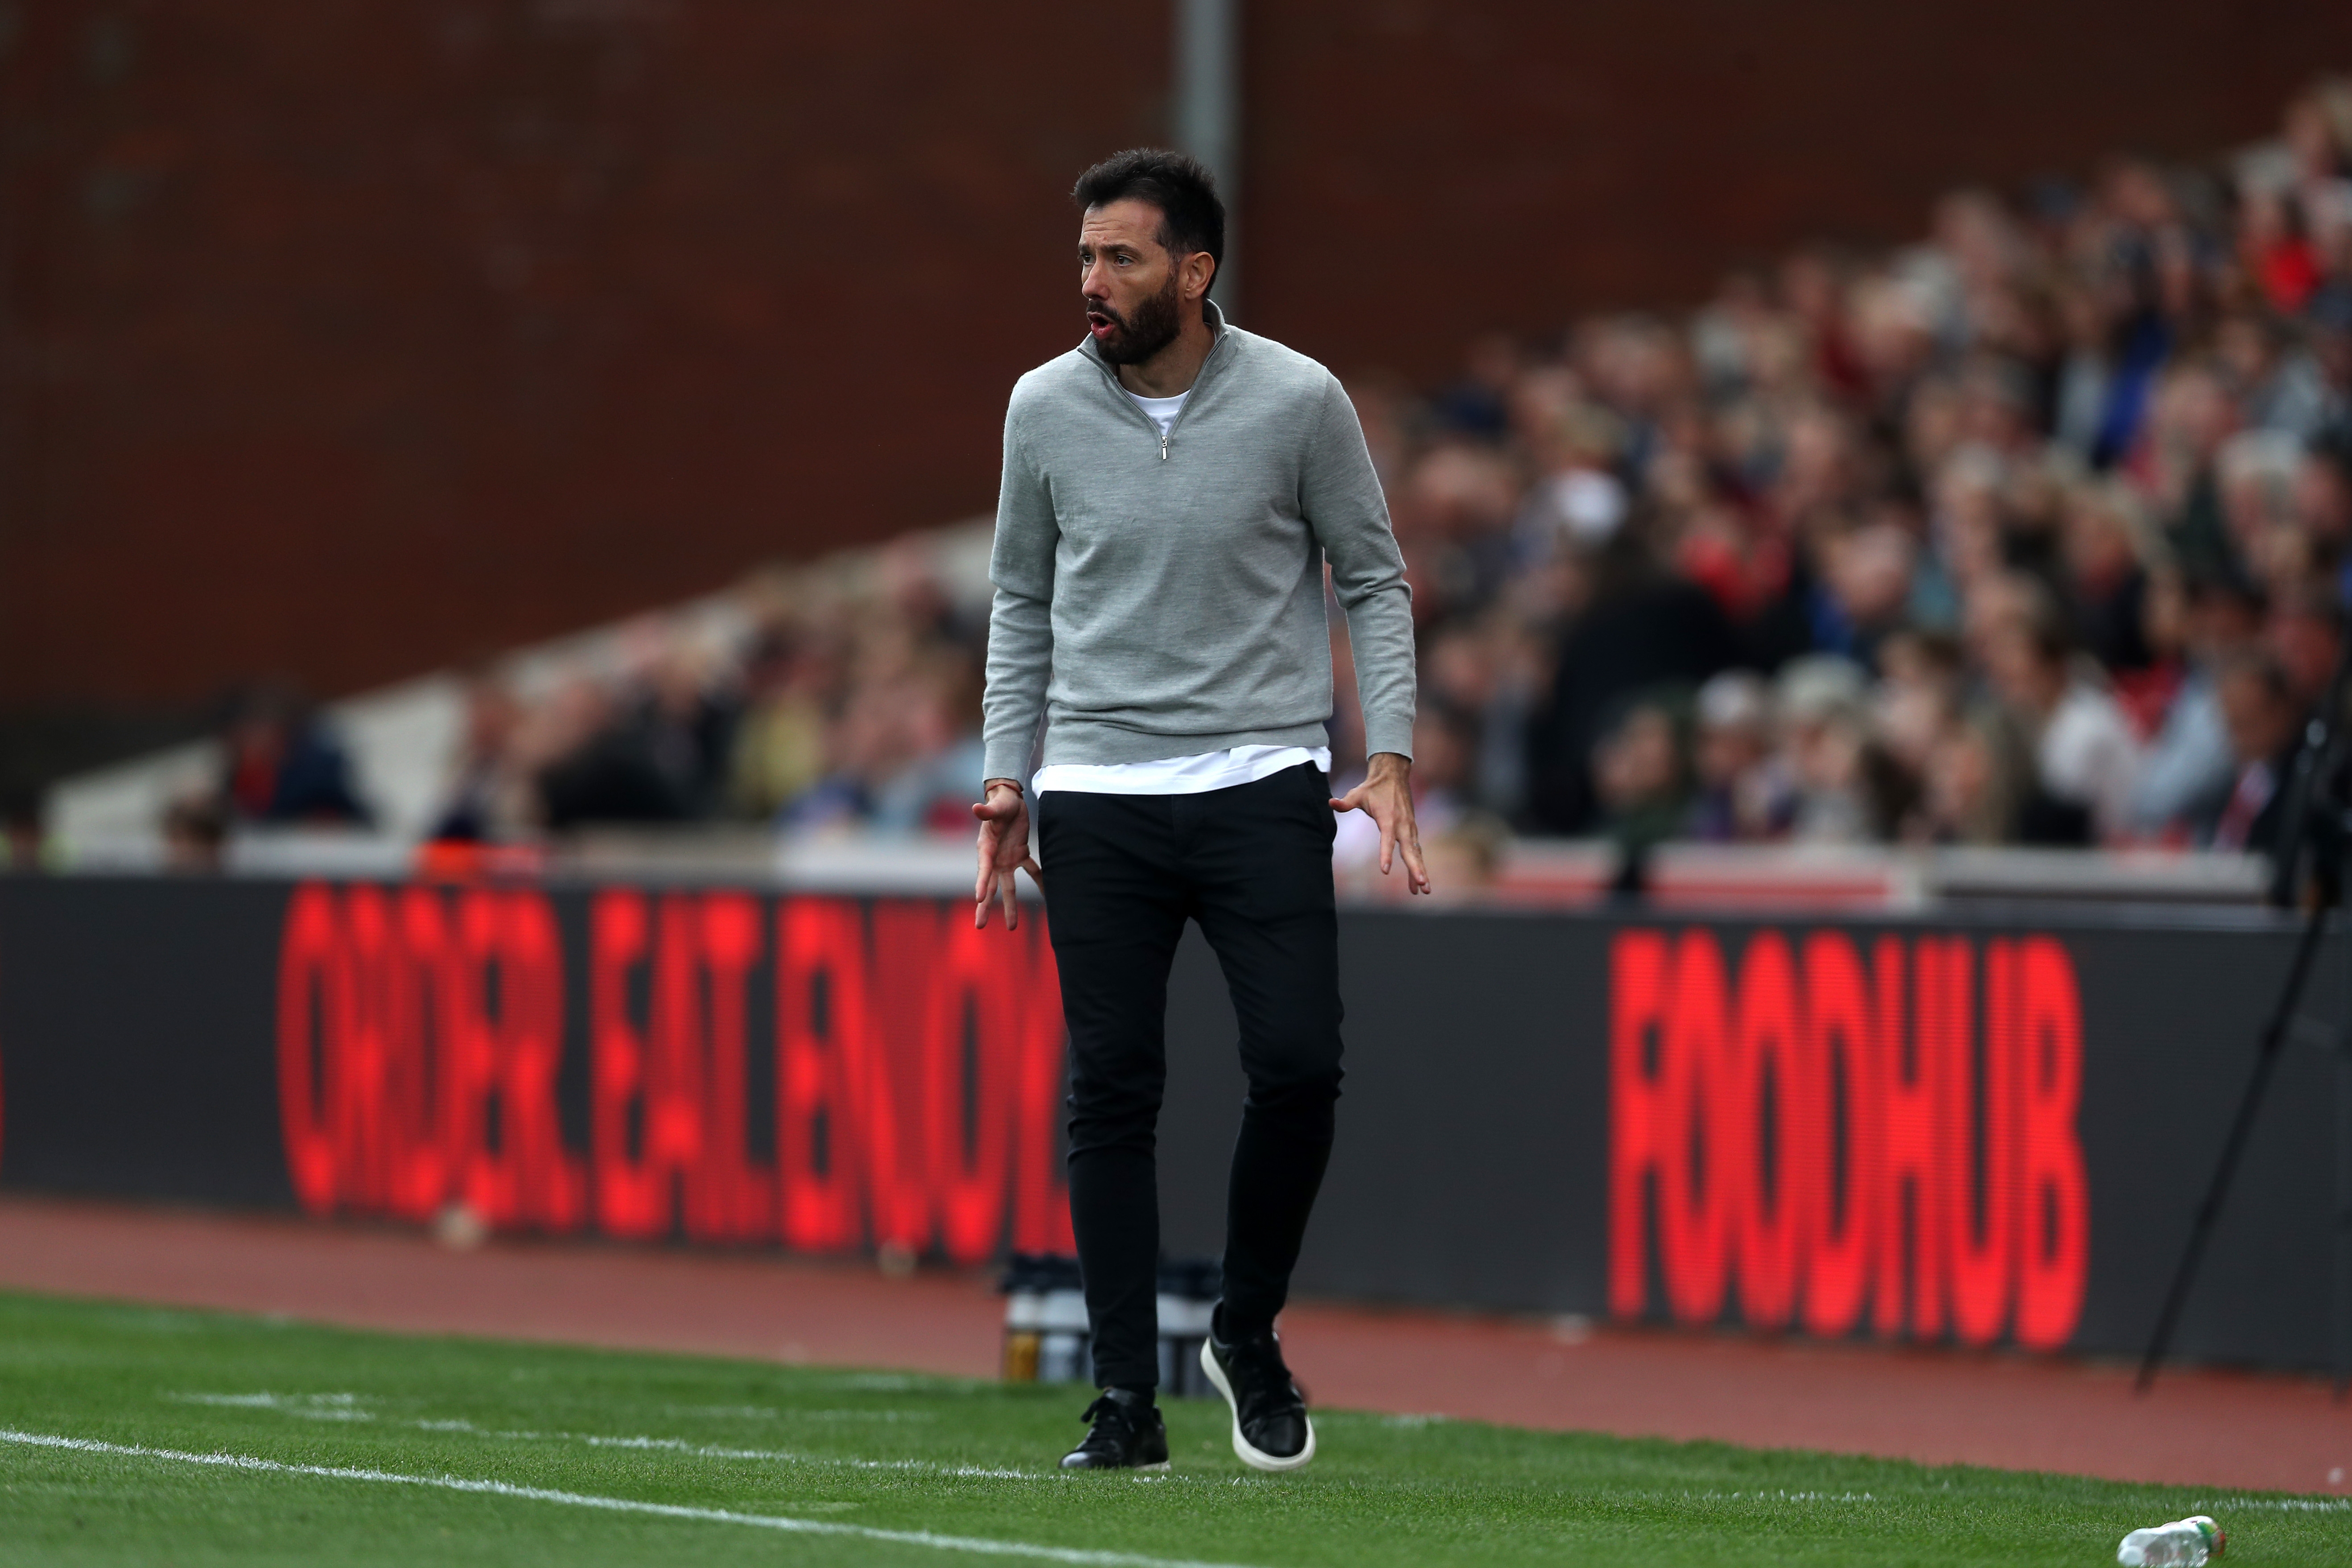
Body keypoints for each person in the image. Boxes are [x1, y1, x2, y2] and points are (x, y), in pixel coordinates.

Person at [972, 149, 1421, 1474]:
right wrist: (1008, 775)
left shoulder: (1299, 400)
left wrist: (1386, 753)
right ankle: (1122, 1401)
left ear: (1193, 270)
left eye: (1118, 258)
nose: (1091, 283)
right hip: (1099, 791)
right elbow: (1017, 600)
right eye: (1083, 258)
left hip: (1260, 782)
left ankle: (1244, 1326)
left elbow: (1375, 579)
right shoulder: (1041, 408)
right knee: (1112, 1091)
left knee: (1297, 1064)